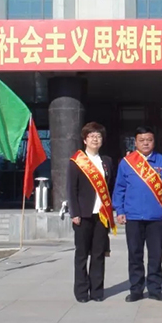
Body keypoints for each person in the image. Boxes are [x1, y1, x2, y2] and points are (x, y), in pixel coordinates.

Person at [113, 126, 162, 302]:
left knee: (155, 256)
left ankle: (155, 289)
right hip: (133, 217)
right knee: (135, 255)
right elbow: (119, 188)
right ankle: (136, 290)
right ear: (135, 142)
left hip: (156, 217)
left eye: (149, 140)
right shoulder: (127, 163)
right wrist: (120, 210)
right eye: (142, 140)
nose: (146, 143)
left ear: (154, 141)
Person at [66, 122, 115, 303]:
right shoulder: (76, 161)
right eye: (91, 136)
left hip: (101, 215)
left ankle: (97, 292)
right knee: (81, 255)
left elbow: (110, 187)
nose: (95, 139)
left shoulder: (107, 161)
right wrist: (74, 213)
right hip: (83, 215)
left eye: (98, 136)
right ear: (85, 140)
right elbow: (71, 189)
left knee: (98, 254)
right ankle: (81, 292)